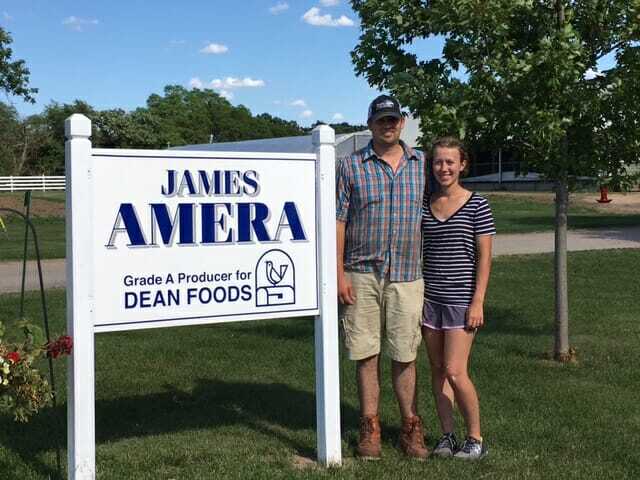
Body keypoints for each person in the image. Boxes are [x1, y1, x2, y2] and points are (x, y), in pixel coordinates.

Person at [336, 95, 429, 460]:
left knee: (405, 353)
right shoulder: (351, 165)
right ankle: (369, 426)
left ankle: (410, 427)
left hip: (407, 275)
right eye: (381, 120)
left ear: (402, 122)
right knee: (366, 353)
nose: (387, 125)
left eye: (393, 119)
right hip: (361, 273)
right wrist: (338, 271)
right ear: (370, 124)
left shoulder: (421, 164)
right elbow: (339, 221)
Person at [421, 136, 495, 460]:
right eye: (438, 162)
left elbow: (485, 257)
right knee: (437, 370)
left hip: (461, 303)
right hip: (430, 300)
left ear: (462, 164)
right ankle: (447, 436)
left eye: (450, 162)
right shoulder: (425, 204)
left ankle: (475, 438)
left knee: (455, 370)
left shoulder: (477, 204)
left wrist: (477, 301)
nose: (444, 168)